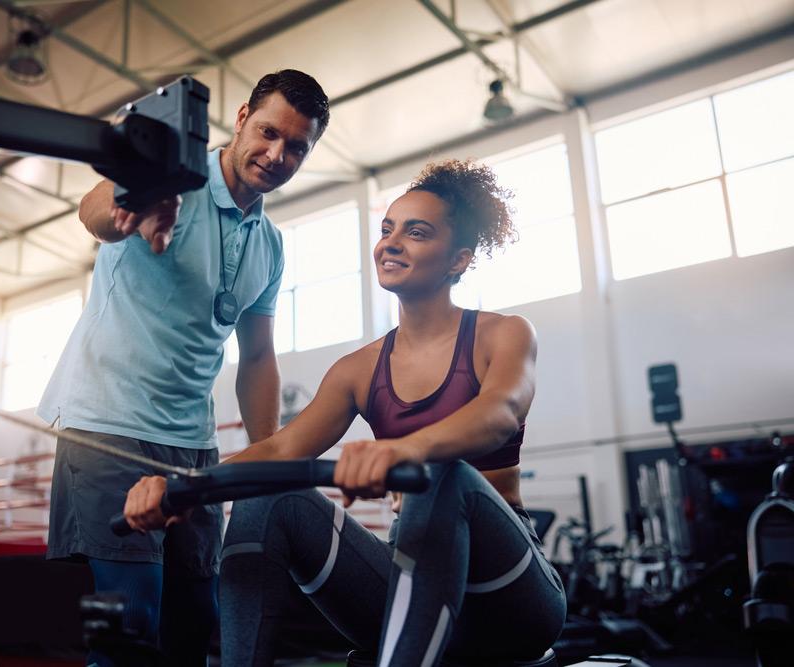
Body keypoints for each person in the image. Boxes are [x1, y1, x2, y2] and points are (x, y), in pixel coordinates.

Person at [125, 159, 567, 666]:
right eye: (387, 230)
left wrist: (403, 451)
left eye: (417, 233)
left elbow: (500, 412)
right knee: (265, 491)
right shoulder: (358, 369)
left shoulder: (504, 333)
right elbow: (280, 449)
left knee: (441, 475)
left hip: (507, 600)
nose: (391, 243)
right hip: (405, 587)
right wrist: (183, 487)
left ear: (458, 260)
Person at [38, 69, 329, 666]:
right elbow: (93, 208)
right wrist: (127, 208)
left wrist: (267, 457)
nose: (277, 155)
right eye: (270, 132)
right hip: (107, 427)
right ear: (243, 115)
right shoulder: (172, 181)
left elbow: (258, 357)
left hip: (193, 447)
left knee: (196, 625)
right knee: (130, 624)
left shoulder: (269, 245)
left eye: (297, 146)